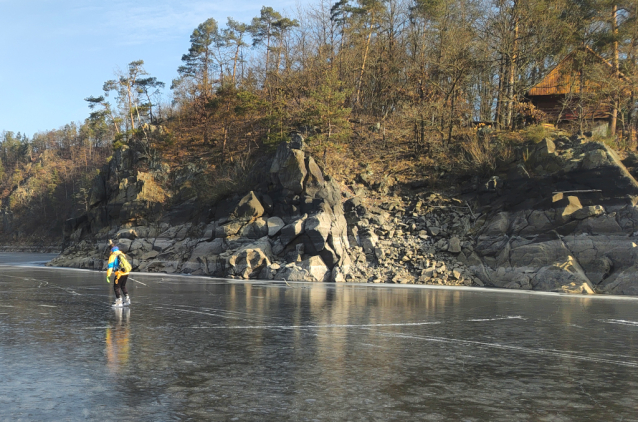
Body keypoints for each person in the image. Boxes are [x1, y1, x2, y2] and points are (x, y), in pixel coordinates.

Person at [106, 243, 132, 307]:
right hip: (126, 272)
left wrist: (108, 275)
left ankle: (119, 301)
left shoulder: (112, 256)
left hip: (119, 274)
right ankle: (127, 299)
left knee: (116, 287)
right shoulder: (122, 253)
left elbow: (110, 266)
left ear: (110, 250)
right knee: (123, 286)